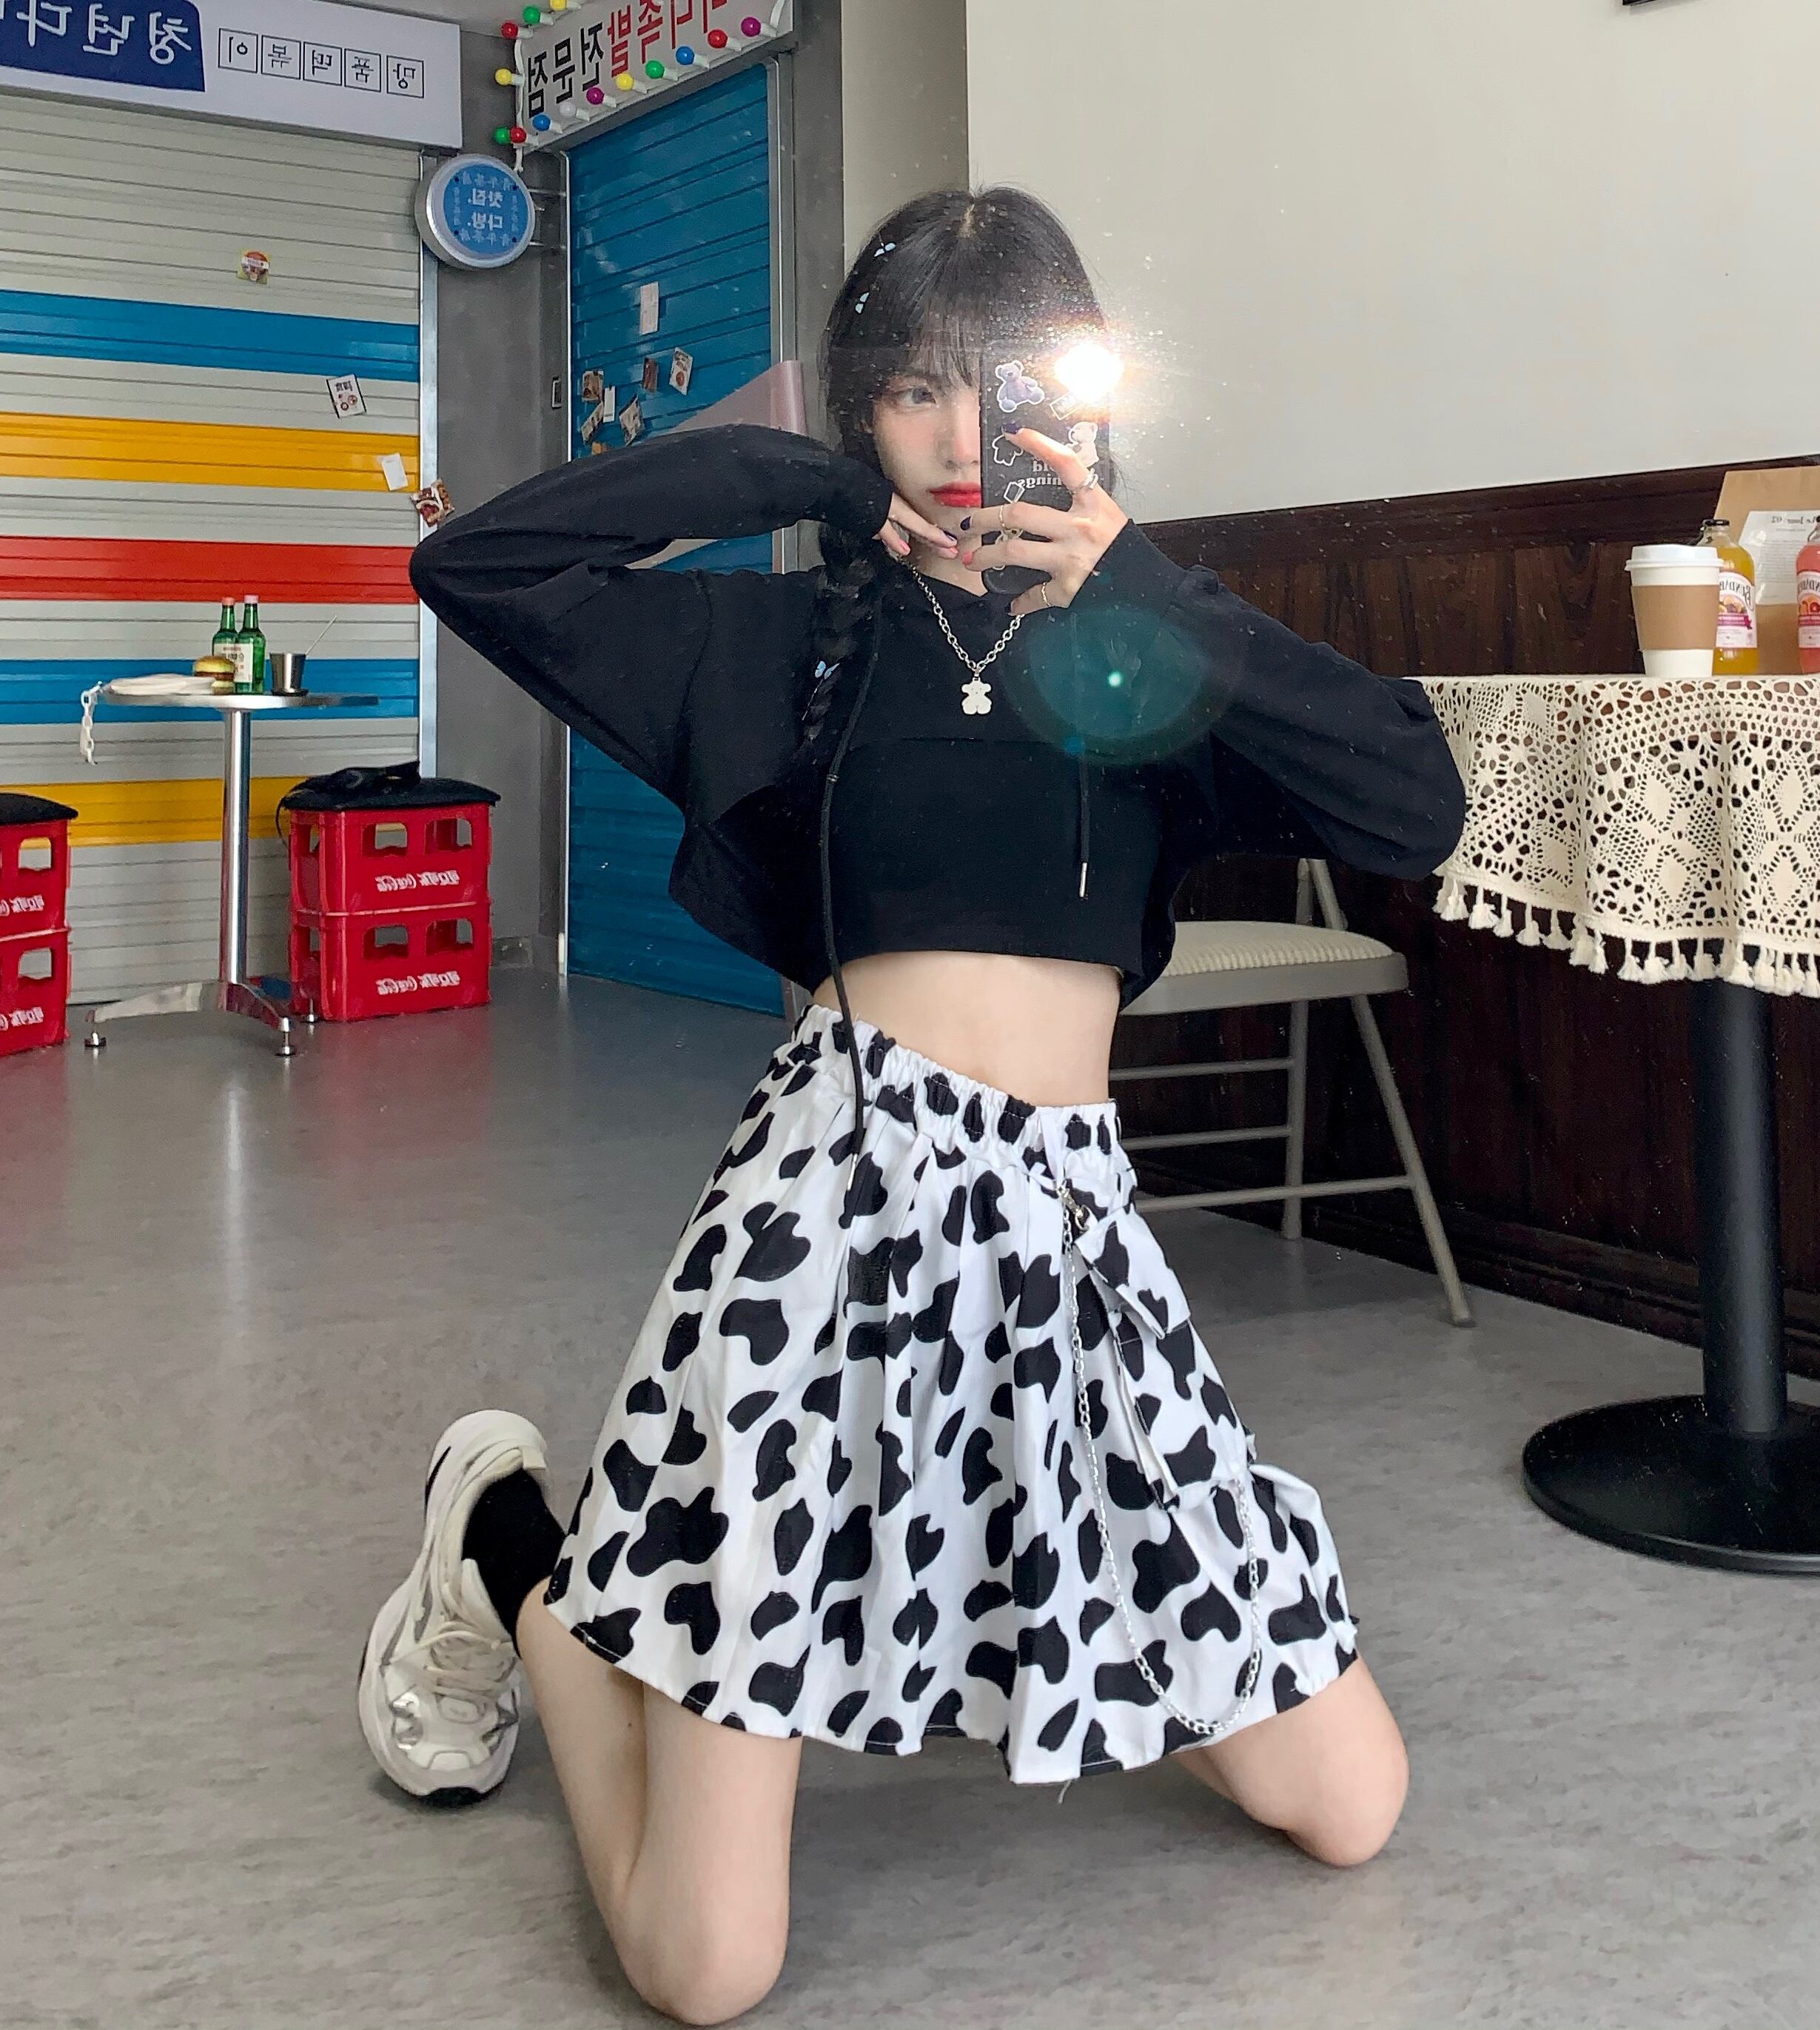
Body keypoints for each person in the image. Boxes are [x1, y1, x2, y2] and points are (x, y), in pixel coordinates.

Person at [360, 187, 1466, 2025]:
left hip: (1073, 1256)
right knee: (708, 1970)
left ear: (1082, 400)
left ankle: (1011, 1608)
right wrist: (788, 480)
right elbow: (479, 565)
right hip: (827, 1239)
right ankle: (521, 1564)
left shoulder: (1142, 648)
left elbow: (1417, 805)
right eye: (914, 390)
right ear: (864, 405)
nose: (965, 435)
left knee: (1350, 1807)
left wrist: (1147, 585)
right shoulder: (793, 645)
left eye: (1010, 383)